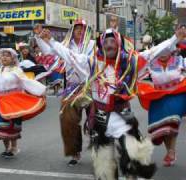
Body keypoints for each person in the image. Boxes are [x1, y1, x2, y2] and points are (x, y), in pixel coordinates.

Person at [37, 26, 186, 179]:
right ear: (101, 45)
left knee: (134, 159)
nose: (109, 44)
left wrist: (175, 38)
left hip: (123, 115)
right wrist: (51, 41)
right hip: (100, 118)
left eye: (112, 41)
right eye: (106, 41)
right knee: (104, 166)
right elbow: (68, 54)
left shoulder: (130, 62)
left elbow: (153, 53)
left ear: (119, 44)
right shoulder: (91, 64)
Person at [34, 19, 94, 166]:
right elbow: (49, 50)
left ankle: (99, 150)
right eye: (77, 28)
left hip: (91, 87)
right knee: (67, 120)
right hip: (72, 87)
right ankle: (75, 152)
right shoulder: (66, 44)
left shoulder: (93, 45)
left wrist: (53, 42)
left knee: (96, 121)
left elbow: (82, 61)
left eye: (83, 28)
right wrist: (39, 36)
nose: (80, 31)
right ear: (72, 30)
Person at [0, 48, 46, 158]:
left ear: (13, 58)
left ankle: (14, 147)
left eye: (7, 55)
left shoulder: (17, 70)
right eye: (2, 55)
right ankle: (6, 148)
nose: (4, 57)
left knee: (11, 124)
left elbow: (26, 82)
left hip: (13, 100)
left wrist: (40, 90)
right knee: (0, 125)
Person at [138, 44, 186, 166]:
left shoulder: (179, 60)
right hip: (158, 97)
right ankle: (170, 151)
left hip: (178, 94)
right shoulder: (151, 64)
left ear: (171, 50)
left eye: (166, 50)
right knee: (160, 128)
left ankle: (171, 151)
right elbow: (136, 74)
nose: (163, 53)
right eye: (161, 50)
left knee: (173, 120)